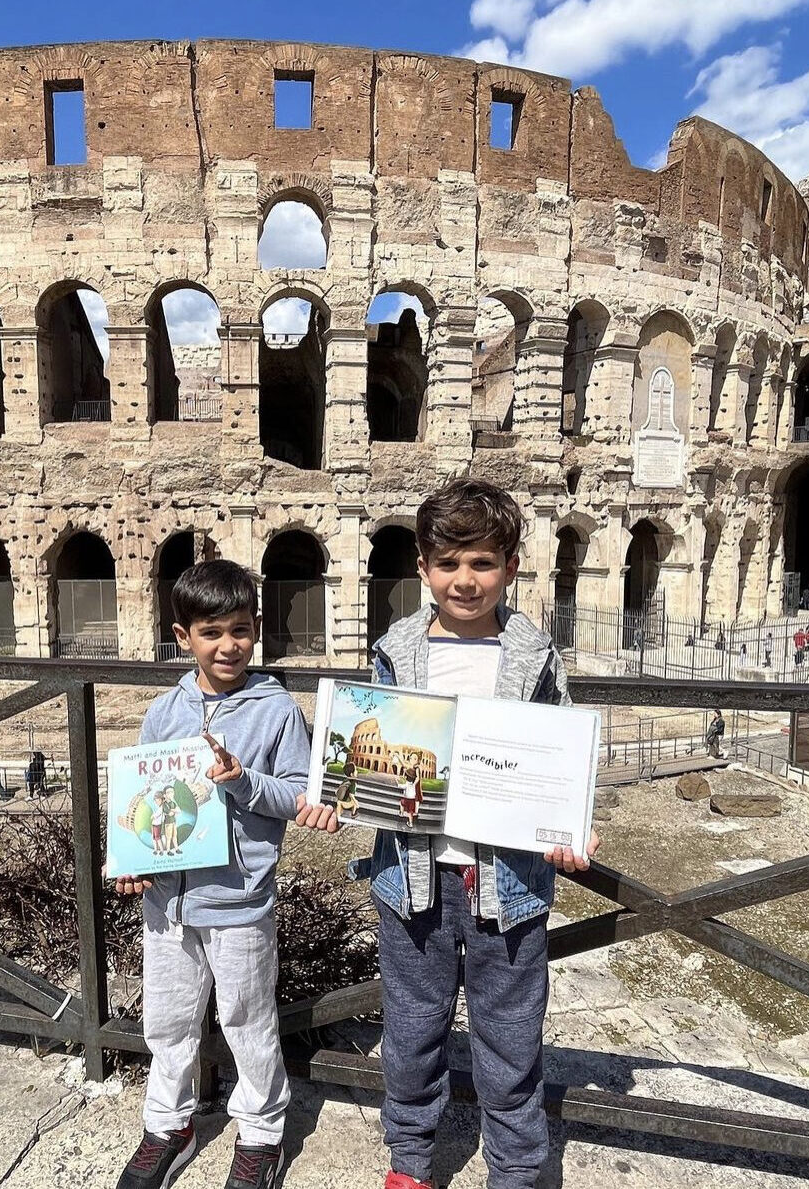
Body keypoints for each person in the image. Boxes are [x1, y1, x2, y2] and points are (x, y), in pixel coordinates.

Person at [347, 477, 600, 1189]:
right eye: (449, 563)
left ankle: (516, 1170)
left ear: (510, 567)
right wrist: (342, 789)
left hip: (508, 884)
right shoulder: (395, 648)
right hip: (411, 881)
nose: (465, 579)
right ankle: (411, 1161)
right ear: (423, 568)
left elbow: (562, 753)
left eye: (482, 562)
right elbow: (370, 749)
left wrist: (570, 823)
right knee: (409, 1034)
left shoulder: (533, 653)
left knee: (511, 1041)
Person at [113, 559, 333, 1189]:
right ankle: (167, 1123)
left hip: (239, 899)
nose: (228, 645)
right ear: (184, 637)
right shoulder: (164, 711)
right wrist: (132, 864)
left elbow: (299, 795)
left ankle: (261, 1133)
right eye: (212, 632)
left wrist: (242, 781)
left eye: (240, 629)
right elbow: (141, 797)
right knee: (167, 1020)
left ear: (256, 630)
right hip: (168, 904)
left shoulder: (276, 712)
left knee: (246, 1019)